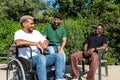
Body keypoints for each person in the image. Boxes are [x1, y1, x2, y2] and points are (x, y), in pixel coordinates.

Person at [14, 15, 64, 80]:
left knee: (58, 56)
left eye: (33, 23)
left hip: (40, 58)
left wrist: (45, 44)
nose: (33, 25)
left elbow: (45, 40)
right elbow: (18, 42)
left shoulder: (36, 32)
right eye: (31, 24)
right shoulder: (19, 33)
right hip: (27, 60)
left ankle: (59, 78)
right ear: (24, 24)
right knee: (41, 57)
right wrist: (35, 44)